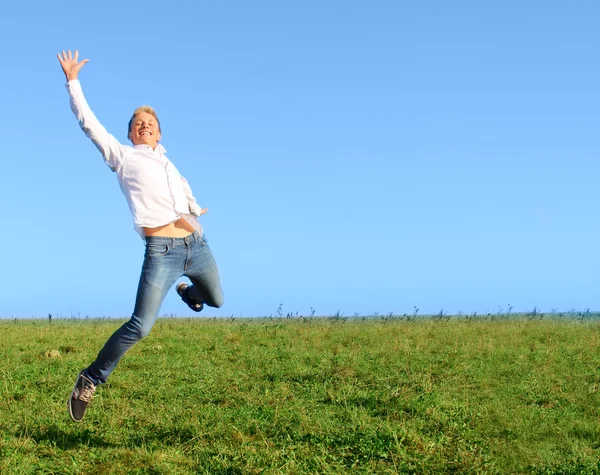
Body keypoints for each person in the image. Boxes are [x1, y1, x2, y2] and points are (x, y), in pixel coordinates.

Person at [57, 50, 224, 422]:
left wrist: (196, 209)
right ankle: (90, 379)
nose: (143, 124)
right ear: (130, 133)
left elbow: (182, 188)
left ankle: (188, 290)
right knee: (141, 326)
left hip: (196, 245)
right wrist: (72, 81)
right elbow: (89, 123)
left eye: (149, 121)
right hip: (161, 251)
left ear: (159, 132)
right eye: (137, 122)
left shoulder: (169, 162)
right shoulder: (122, 155)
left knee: (217, 300)